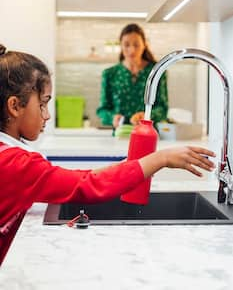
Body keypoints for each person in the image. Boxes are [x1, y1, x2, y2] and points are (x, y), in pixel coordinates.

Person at [0, 44, 216, 266]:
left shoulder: (9, 155)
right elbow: (86, 185)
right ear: (15, 106)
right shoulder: (16, 164)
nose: (46, 115)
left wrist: (133, 165)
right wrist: (160, 159)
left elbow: (74, 178)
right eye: (43, 104)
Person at [96, 23, 168, 128]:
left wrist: (147, 116)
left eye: (136, 44)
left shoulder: (157, 71)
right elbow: (102, 110)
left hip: (148, 134)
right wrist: (112, 118)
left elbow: (163, 109)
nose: (132, 50)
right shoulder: (109, 74)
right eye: (126, 45)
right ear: (120, 45)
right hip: (120, 135)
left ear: (144, 45)